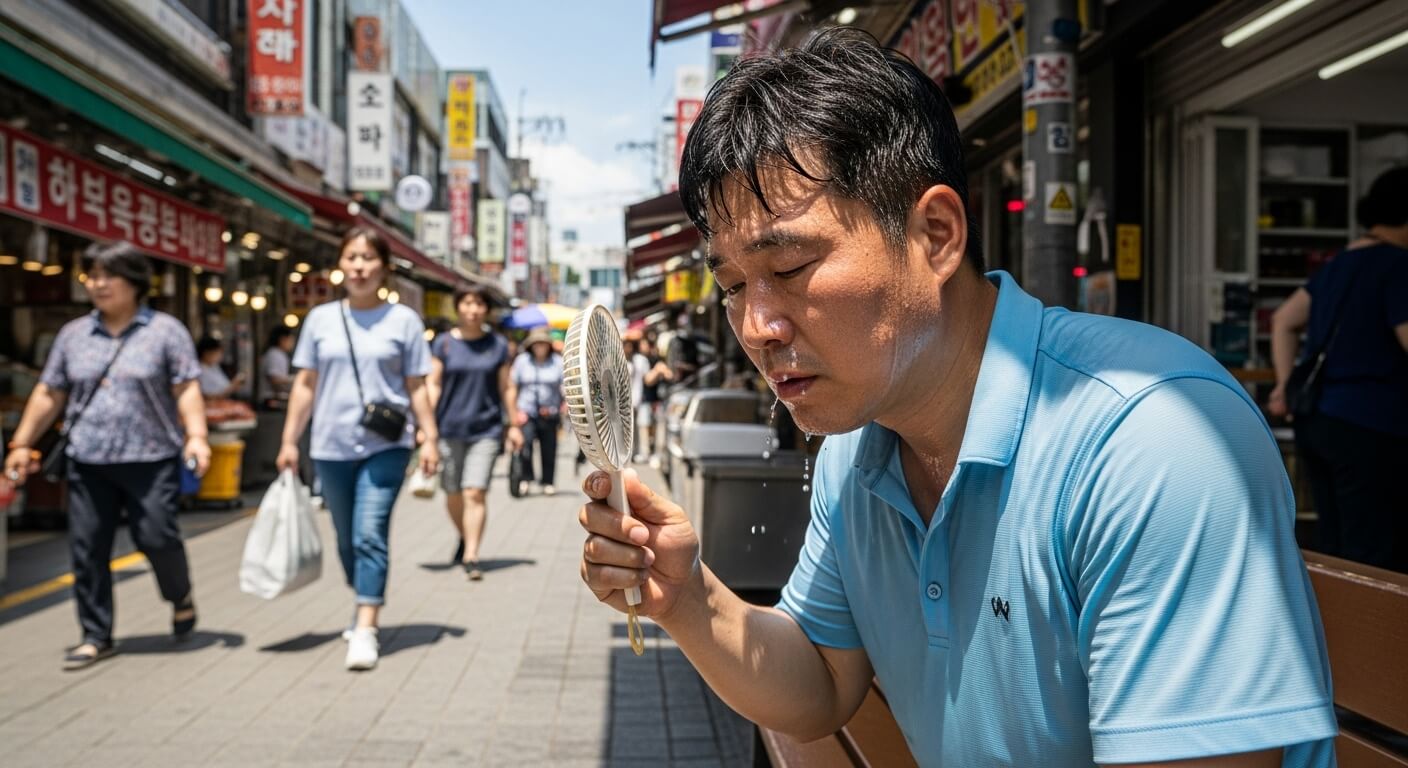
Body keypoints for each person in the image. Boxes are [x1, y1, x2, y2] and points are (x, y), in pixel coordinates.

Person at [575, 29, 1336, 767]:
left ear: (935, 234)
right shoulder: (860, 448)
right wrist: (684, 596)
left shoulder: (1148, 438)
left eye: (794, 265)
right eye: (734, 286)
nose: (758, 325)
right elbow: (819, 679)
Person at [4, 243, 209, 671]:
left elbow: (186, 387)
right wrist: (22, 442)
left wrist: (197, 436)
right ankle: (96, 635)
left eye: (106, 275)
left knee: (156, 537)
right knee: (86, 548)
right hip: (89, 459)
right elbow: (50, 391)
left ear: (134, 282)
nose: (96, 285)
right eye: (91, 276)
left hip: (151, 458)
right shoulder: (74, 335)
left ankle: (179, 595)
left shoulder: (166, 331)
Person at [277, 226, 439, 671]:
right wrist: (290, 440)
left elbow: (416, 385)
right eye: (352, 257)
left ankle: (367, 625)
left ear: (384, 267)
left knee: (370, 532)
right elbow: (305, 384)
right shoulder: (320, 320)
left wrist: (429, 435)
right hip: (329, 445)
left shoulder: (403, 320)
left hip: (386, 444)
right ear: (340, 265)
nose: (360, 266)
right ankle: (361, 596)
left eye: (369, 258)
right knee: (347, 540)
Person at [1269, 166, 1408, 573]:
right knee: (1376, 554)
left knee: (1333, 548)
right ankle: (1375, 638)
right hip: (1373, 424)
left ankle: (1328, 636)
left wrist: (1282, 383)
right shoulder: (1398, 266)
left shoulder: (1339, 264)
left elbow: (1283, 319)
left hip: (1320, 421)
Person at [426, 284, 523, 581]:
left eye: (479, 304)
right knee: (453, 493)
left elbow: (506, 386)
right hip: (448, 428)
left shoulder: (497, 346)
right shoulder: (442, 343)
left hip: (487, 429)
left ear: (486, 310)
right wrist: (426, 426)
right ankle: (464, 536)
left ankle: (471, 554)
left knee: (475, 492)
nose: (473, 309)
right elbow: (434, 384)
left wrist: (515, 425)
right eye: (467, 303)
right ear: (458, 307)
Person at [511, 328, 563, 496]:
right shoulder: (522, 361)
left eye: (543, 344)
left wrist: (565, 405)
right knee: (525, 446)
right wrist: (515, 412)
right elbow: (512, 386)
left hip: (549, 412)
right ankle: (526, 478)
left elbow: (565, 386)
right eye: (536, 344)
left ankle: (548, 481)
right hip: (526, 412)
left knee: (549, 448)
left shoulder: (557, 362)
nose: (540, 347)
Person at [260, 326, 295, 405]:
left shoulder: (277, 353)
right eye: (291, 340)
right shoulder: (275, 354)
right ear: (283, 339)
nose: (292, 343)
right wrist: (295, 379)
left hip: (275, 399)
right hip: (271, 399)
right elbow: (274, 379)